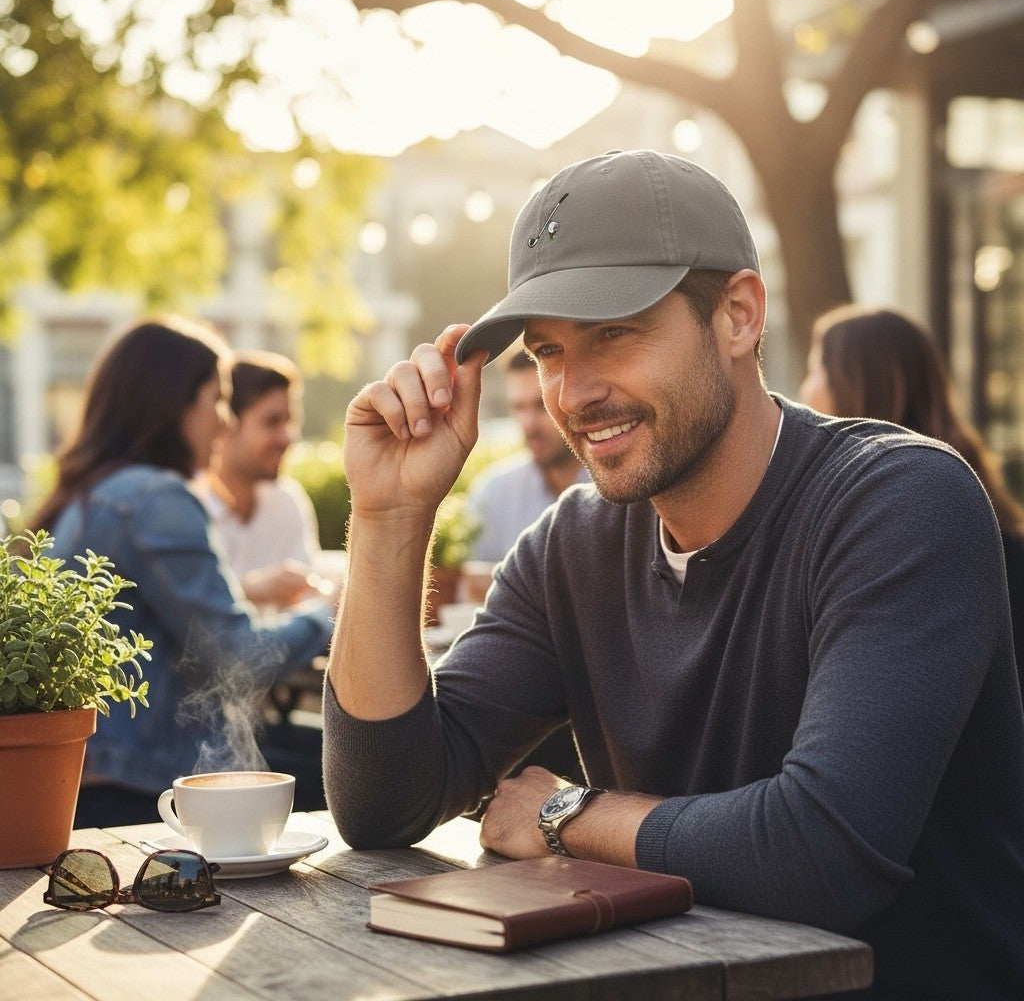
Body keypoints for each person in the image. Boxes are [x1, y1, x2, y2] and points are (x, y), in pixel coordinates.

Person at [323, 149, 1024, 999]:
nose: (574, 392)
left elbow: (824, 855)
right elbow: (382, 804)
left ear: (737, 316)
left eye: (614, 333)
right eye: (547, 352)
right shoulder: (569, 549)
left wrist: (567, 816)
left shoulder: (900, 500)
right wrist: (390, 518)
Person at [32, 316, 334, 827]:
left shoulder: (94, 495)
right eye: (216, 400)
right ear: (175, 404)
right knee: (356, 776)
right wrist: (330, 613)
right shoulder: (156, 498)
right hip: (144, 788)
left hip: (97, 775)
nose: (225, 421)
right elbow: (238, 657)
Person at [799, 304, 1024, 690]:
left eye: (815, 371)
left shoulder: (913, 526)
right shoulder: (976, 502)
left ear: (858, 383)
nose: (804, 391)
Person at [195, 350, 325, 610]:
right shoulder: (187, 505)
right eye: (272, 422)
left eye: (290, 421)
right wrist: (249, 589)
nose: (286, 438)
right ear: (226, 423)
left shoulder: (286, 501)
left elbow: (308, 601)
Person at [468, 349, 588, 564]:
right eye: (519, 407)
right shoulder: (494, 493)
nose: (528, 424)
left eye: (541, 405)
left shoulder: (617, 486)